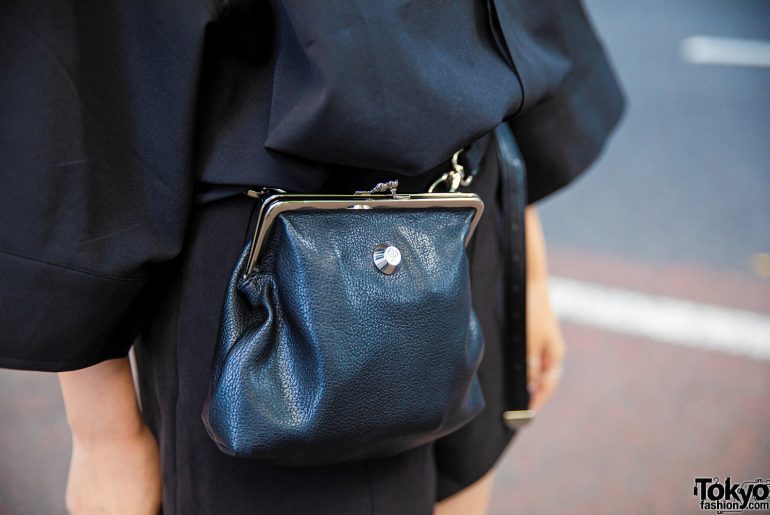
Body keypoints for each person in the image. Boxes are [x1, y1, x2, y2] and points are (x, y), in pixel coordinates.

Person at [0, 1, 624, 513]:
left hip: (466, 213)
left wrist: (528, 264)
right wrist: (102, 429)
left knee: (465, 483)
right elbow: (87, 55)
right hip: (269, 283)